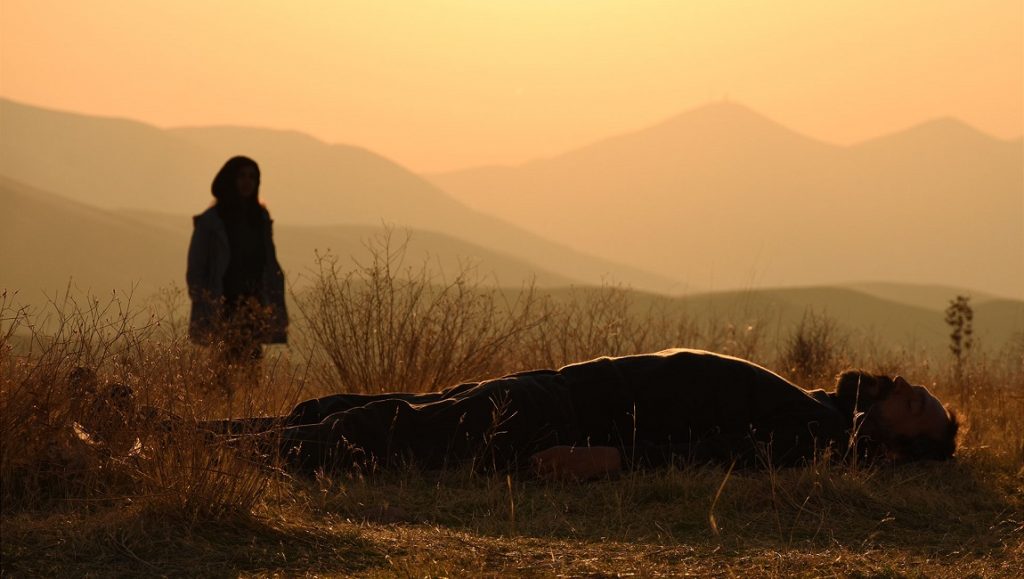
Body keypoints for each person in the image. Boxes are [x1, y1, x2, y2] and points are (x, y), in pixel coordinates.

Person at [211, 348, 958, 478]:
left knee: (376, 435)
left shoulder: (815, 437)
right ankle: (179, 436)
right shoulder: (820, 408)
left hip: (559, 415)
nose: (904, 385)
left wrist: (614, 457)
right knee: (363, 411)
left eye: (914, 404)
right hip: (557, 388)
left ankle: (167, 446)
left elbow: (722, 451)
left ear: (893, 445)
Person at [186, 156, 287, 366]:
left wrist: (274, 303)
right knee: (223, 370)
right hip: (223, 305)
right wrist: (206, 303)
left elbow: (270, 263)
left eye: (252, 177)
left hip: (254, 305)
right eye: (241, 176)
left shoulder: (260, 218)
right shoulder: (211, 221)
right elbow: (196, 269)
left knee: (252, 369)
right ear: (230, 179)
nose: (247, 181)